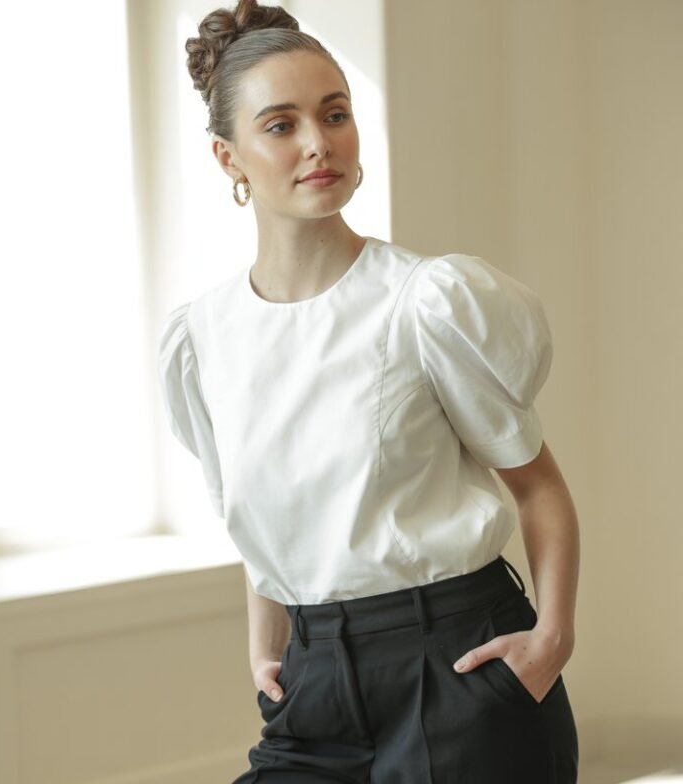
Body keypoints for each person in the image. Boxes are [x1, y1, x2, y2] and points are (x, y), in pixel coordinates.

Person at [157, 0, 580, 781]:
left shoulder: (428, 302)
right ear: (228, 158)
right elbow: (262, 521)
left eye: (336, 113)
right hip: (311, 685)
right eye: (281, 125)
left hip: (459, 668)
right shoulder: (201, 339)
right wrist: (266, 649)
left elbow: (538, 485)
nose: (319, 143)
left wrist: (551, 639)